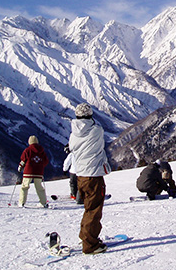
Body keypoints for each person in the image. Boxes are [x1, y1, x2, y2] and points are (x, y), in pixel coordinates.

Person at [68, 103, 111, 255]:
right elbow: (100, 145)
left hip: (80, 176)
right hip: (93, 175)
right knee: (94, 210)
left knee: (88, 208)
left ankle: (86, 237)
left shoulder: (73, 134)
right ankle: (90, 245)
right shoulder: (96, 130)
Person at [18, 135, 49, 208]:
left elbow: (23, 160)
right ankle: (43, 202)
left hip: (28, 171)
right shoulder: (42, 151)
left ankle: (21, 202)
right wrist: (40, 166)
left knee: (24, 187)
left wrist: (20, 167)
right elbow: (46, 161)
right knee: (39, 187)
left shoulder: (27, 150)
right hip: (39, 172)